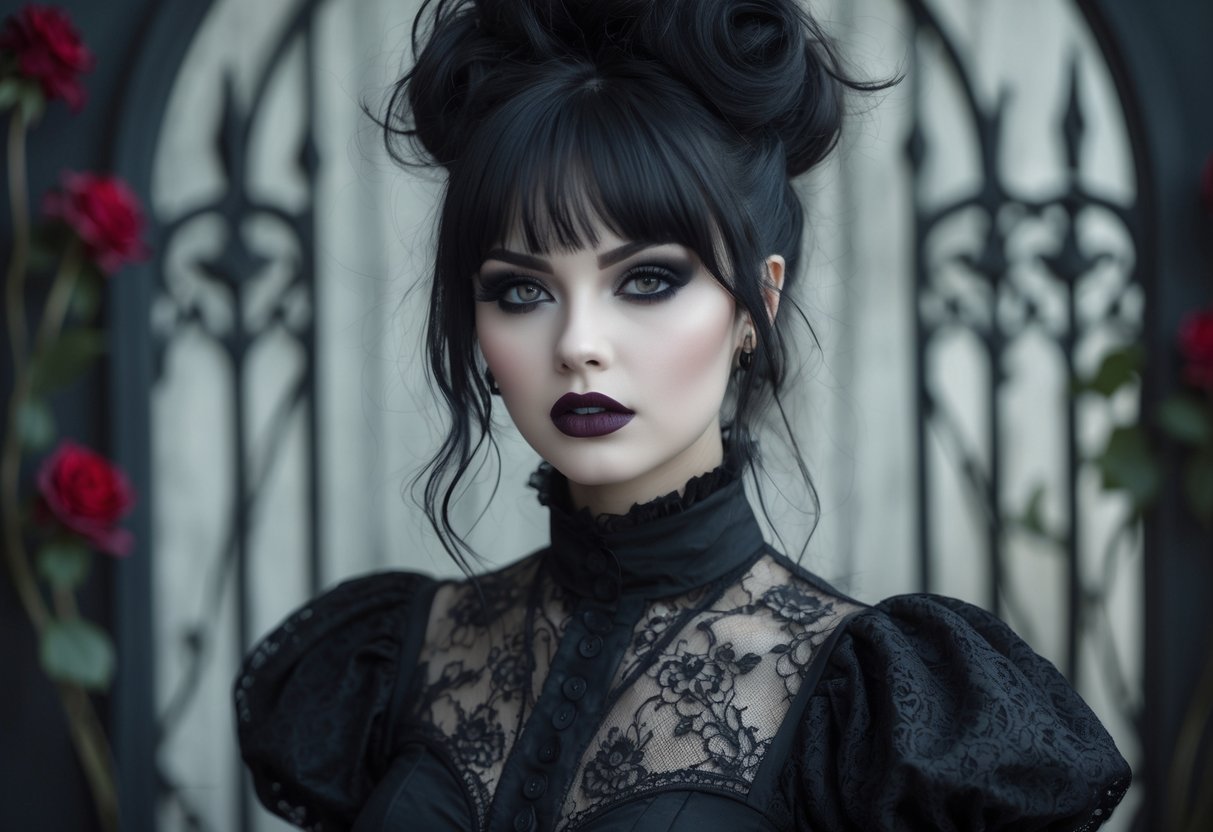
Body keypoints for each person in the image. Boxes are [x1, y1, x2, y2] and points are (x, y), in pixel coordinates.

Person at [233, 0, 1131, 829]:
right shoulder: (394, 659)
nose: (579, 343)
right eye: (520, 290)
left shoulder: (862, 708)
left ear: (755, 306)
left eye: (647, 279)